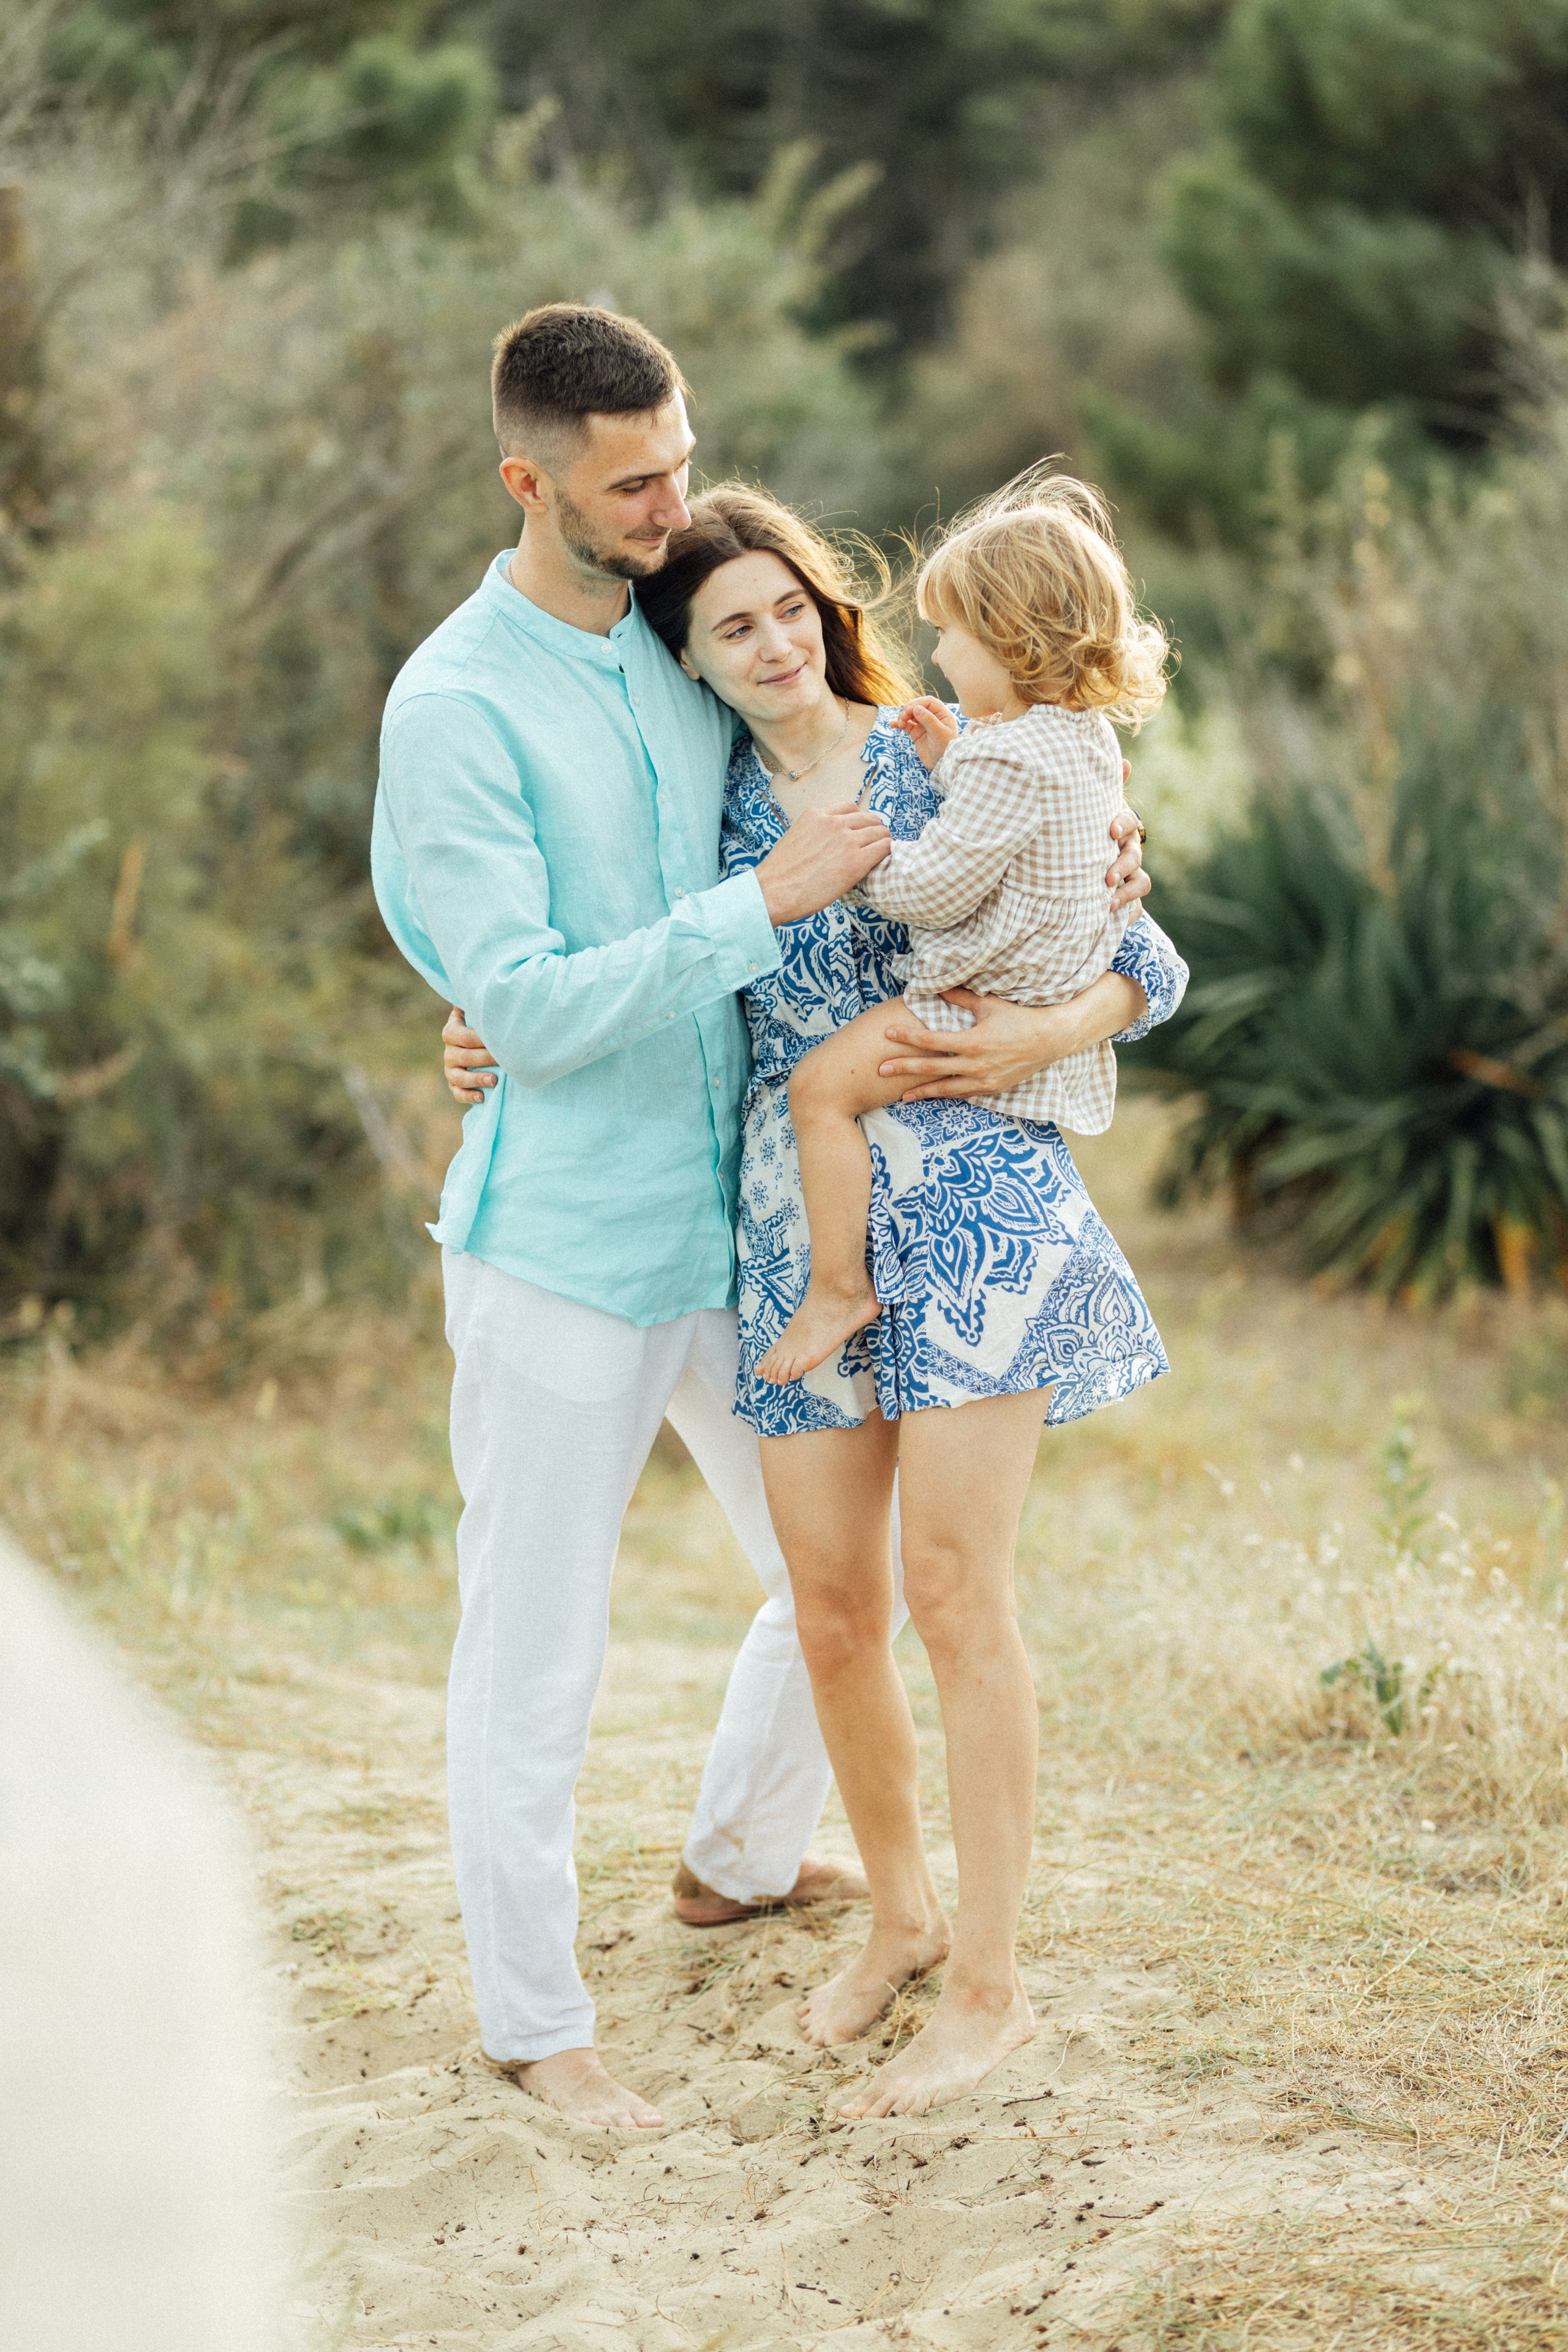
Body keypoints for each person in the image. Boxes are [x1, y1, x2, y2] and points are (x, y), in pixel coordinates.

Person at [429, 407, 1182, 2119]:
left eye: (787, 609)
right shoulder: (695, 816)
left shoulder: (951, 745)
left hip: (976, 1201)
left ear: (826, 612)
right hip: (795, 1220)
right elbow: (581, 958)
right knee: (835, 1610)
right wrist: (476, 1028)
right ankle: (900, 1916)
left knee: (955, 1599)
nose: (768, 644)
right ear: (692, 659)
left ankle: (993, 1984)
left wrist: (1053, 1024)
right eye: (728, 627)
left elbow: (1147, 947)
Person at [755, 472, 1168, 1386]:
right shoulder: (1080, 738)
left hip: (981, 1009)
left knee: (822, 1090)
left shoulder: (1008, 758)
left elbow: (936, 889)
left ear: (1011, 641)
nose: (937, 656)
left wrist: (849, 869)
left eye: (950, 634)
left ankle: (835, 1286)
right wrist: (955, 761)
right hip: (1033, 991)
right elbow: (1013, 826)